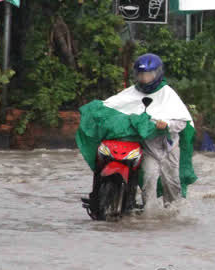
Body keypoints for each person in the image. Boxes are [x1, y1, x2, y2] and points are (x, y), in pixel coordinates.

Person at [76, 53, 197, 207]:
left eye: (149, 75)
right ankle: (148, 216)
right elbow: (111, 105)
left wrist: (166, 125)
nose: (145, 79)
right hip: (147, 148)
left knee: (172, 184)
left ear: (158, 74)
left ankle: (173, 216)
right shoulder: (131, 93)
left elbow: (182, 122)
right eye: (141, 75)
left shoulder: (168, 94)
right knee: (148, 180)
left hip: (169, 147)